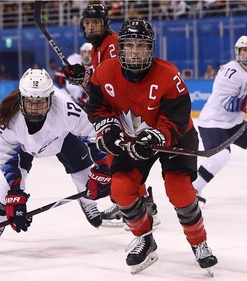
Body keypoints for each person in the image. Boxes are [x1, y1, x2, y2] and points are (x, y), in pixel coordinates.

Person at [85, 19, 217, 274]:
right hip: (132, 139)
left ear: (151, 49)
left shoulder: (168, 74)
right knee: (122, 189)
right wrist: (108, 128)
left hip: (175, 137)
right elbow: (97, 108)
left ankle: (199, 243)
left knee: (179, 189)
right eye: (130, 45)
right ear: (120, 48)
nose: (135, 52)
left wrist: (156, 138)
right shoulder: (104, 73)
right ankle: (144, 238)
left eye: (142, 46)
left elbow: (177, 118)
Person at [0, 68, 111, 254]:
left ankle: (88, 203)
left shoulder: (65, 109)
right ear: (21, 98)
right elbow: (6, 160)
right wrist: (16, 194)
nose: (35, 107)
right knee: (5, 187)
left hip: (62, 139)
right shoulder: (7, 120)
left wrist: (104, 168)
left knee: (86, 177)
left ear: (51, 98)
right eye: (30, 101)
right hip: (24, 146)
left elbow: (94, 135)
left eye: (40, 102)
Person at [63, 3, 158, 228]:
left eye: (96, 23)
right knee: (120, 158)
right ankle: (136, 203)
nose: (92, 27)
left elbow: (117, 76)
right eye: (88, 23)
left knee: (122, 158)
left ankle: (140, 205)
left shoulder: (112, 44)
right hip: (118, 108)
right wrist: (83, 75)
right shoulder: (98, 48)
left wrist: (86, 77)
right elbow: (102, 78)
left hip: (124, 109)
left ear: (105, 24)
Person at [193, 35, 247, 205]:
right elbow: (226, 102)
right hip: (213, 122)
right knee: (221, 156)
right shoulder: (230, 71)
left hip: (234, 123)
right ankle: (192, 190)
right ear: (238, 52)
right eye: (245, 50)